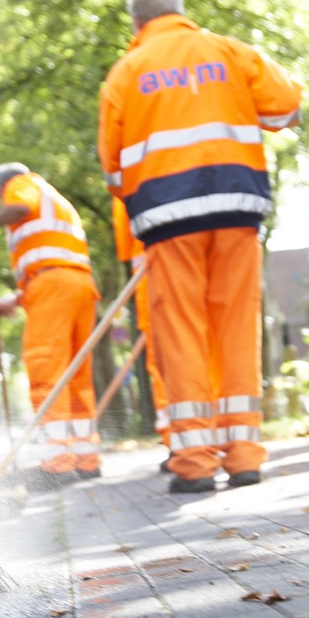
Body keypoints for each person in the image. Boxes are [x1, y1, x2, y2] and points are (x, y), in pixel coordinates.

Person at [97, 0, 302, 493]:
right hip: (237, 209)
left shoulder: (125, 74)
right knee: (235, 330)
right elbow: (286, 107)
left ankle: (193, 463)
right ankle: (245, 457)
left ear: (138, 23)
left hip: (168, 223)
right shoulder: (230, 52)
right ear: (181, 10)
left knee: (182, 334)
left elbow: (114, 172)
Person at [0, 163, 101, 490]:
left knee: (47, 369)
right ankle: (86, 461)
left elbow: (19, 208)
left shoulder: (21, 184)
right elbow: (50, 261)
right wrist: (10, 303)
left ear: (1, 187)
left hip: (53, 287)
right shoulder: (56, 201)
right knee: (76, 376)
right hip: (78, 285)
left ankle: (57, 465)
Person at [111, 197, 170, 464]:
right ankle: (189, 440)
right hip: (164, 264)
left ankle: (182, 441)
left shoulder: (129, 174)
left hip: (157, 271)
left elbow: (128, 244)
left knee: (166, 359)